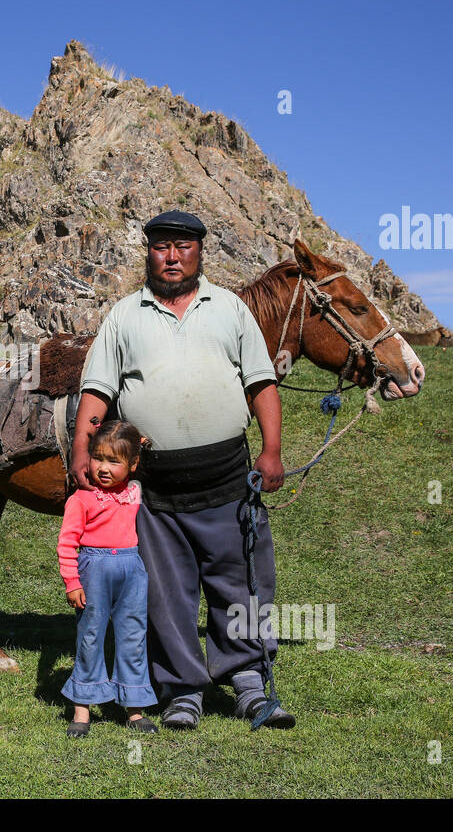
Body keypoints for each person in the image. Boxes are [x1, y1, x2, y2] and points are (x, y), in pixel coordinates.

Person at [69, 210, 295, 730]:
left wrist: (272, 450)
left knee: (241, 582)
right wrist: (83, 449)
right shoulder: (124, 316)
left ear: (199, 252)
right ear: (148, 252)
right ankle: (182, 692)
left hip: (227, 479)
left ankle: (248, 685)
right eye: (161, 247)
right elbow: (98, 390)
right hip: (156, 492)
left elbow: (261, 384)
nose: (172, 257)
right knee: (165, 592)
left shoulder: (231, 310)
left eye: (183, 248)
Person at [56, 420, 158, 738]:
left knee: (132, 636)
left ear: (132, 465)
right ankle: (82, 709)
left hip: (131, 571)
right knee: (90, 637)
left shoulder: (135, 491)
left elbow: (151, 464)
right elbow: (67, 542)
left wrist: (140, 443)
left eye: (114, 461)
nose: (103, 468)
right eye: (98, 458)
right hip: (94, 571)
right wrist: (72, 582)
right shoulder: (81, 499)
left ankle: (134, 708)